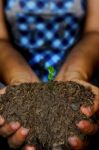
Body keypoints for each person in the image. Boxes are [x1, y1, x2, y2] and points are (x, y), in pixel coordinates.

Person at [0, 0, 99, 149]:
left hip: (79, 61)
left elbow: (95, 31)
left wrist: (77, 73)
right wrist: (16, 78)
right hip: (13, 66)